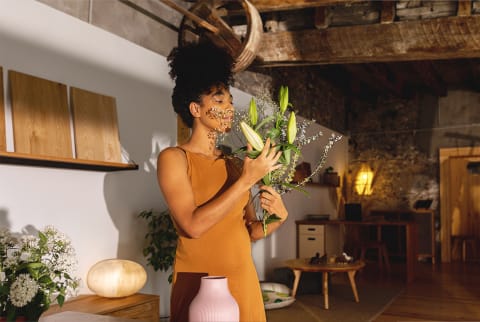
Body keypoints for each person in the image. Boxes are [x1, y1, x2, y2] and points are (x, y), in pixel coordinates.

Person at [157, 41, 289, 322]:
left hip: (242, 280)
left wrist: (276, 218)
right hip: (199, 286)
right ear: (195, 108)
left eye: (230, 100)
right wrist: (246, 181)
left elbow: (250, 231)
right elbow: (192, 226)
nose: (229, 107)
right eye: (219, 101)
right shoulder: (174, 158)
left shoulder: (236, 163)